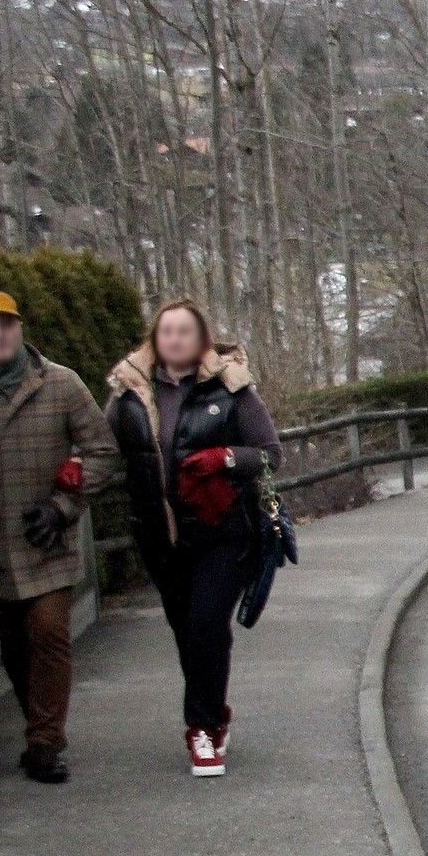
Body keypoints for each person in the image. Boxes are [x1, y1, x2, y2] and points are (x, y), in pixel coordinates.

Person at [0, 290, 122, 783]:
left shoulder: (61, 384)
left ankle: (45, 744)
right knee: (15, 648)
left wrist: (62, 508)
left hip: (49, 541)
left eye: (7, 324)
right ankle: (38, 725)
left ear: (19, 330)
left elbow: (103, 450)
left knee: (51, 634)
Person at [106, 299, 281, 778]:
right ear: (155, 339)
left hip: (225, 531)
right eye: (168, 331)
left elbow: (270, 456)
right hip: (160, 535)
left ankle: (201, 730)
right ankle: (213, 710)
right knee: (187, 629)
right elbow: (104, 450)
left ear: (202, 338)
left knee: (206, 621)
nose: (176, 339)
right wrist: (73, 476)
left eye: (186, 331)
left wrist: (225, 458)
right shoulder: (128, 393)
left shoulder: (232, 388)